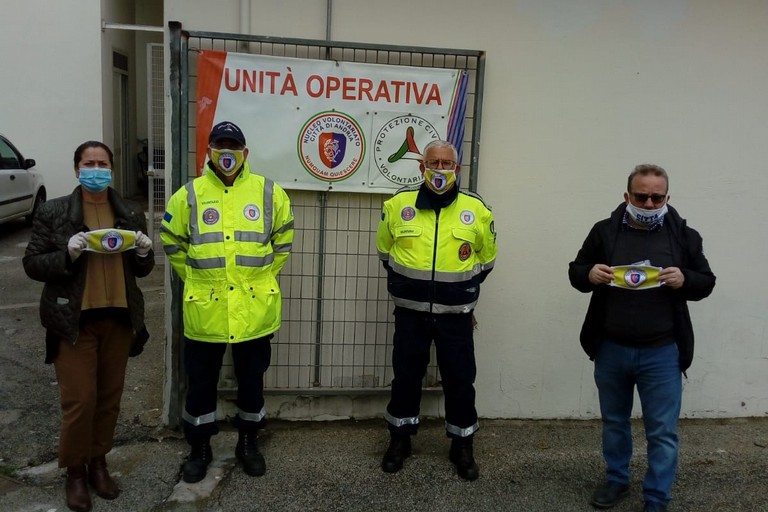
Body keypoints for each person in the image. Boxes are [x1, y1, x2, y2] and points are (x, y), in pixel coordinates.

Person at [568, 164, 716, 512]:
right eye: (641, 196)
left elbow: (706, 281)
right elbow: (575, 271)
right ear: (627, 196)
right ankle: (617, 480)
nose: (649, 204)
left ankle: (657, 497)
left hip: (662, 351)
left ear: (667, 197)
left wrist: (686, 280)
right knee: (614, 422)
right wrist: (589, 273)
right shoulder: (604, 232)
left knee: (662, 431)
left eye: (657, 197)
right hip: (611, 348)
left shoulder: (684, 235)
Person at [23, 141, 155, 512]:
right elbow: (32, 264)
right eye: (88, 163)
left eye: (102, 163)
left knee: (109, 400)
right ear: (76, 168)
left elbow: (142, 270)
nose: (95, 168)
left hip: (118, 318)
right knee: (80, 401)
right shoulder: (54, 211)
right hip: (74, 321)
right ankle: (76, 473)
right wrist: (67, 253)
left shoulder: (128, 210)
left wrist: (145, 252)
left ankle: (99, 463)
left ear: (111, 169)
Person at [161, 121, 294, 482]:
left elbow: (283, 239)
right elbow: (171, 241)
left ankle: (248, 442)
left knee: (252, 382)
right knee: (200, 383)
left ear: (245, 153)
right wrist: (196, 278)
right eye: (220, 145)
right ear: (209, 152)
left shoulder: (268, 192)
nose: (227, 152)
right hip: (206, 309)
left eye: (233, 146)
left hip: (254, 310)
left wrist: (261, 277)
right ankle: (199, 448)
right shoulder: (188, 194)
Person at [375, 140, 497, 481]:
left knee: (460, 381)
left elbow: (486, 261)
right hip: (411, 314)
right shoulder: (398, 205)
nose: (440, 170)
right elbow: (386, 253)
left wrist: (460, 292)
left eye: (447, 164)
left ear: (457, 169)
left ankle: (462, 444)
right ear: (421, 168)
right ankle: (400, 440)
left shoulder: (477, 209)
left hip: (455, 316)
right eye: (433, 163)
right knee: (406, 378)